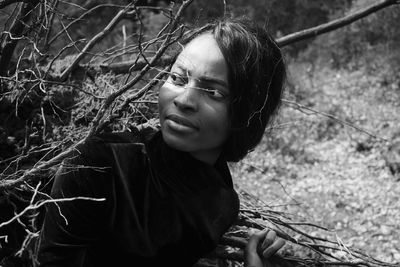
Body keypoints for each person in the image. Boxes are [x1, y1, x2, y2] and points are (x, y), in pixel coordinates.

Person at [37, 15, 286, 267]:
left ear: (248, 113)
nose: (183, 100)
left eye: (213, 92)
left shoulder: (221, 203)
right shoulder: (96, 164)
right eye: (178, 79)